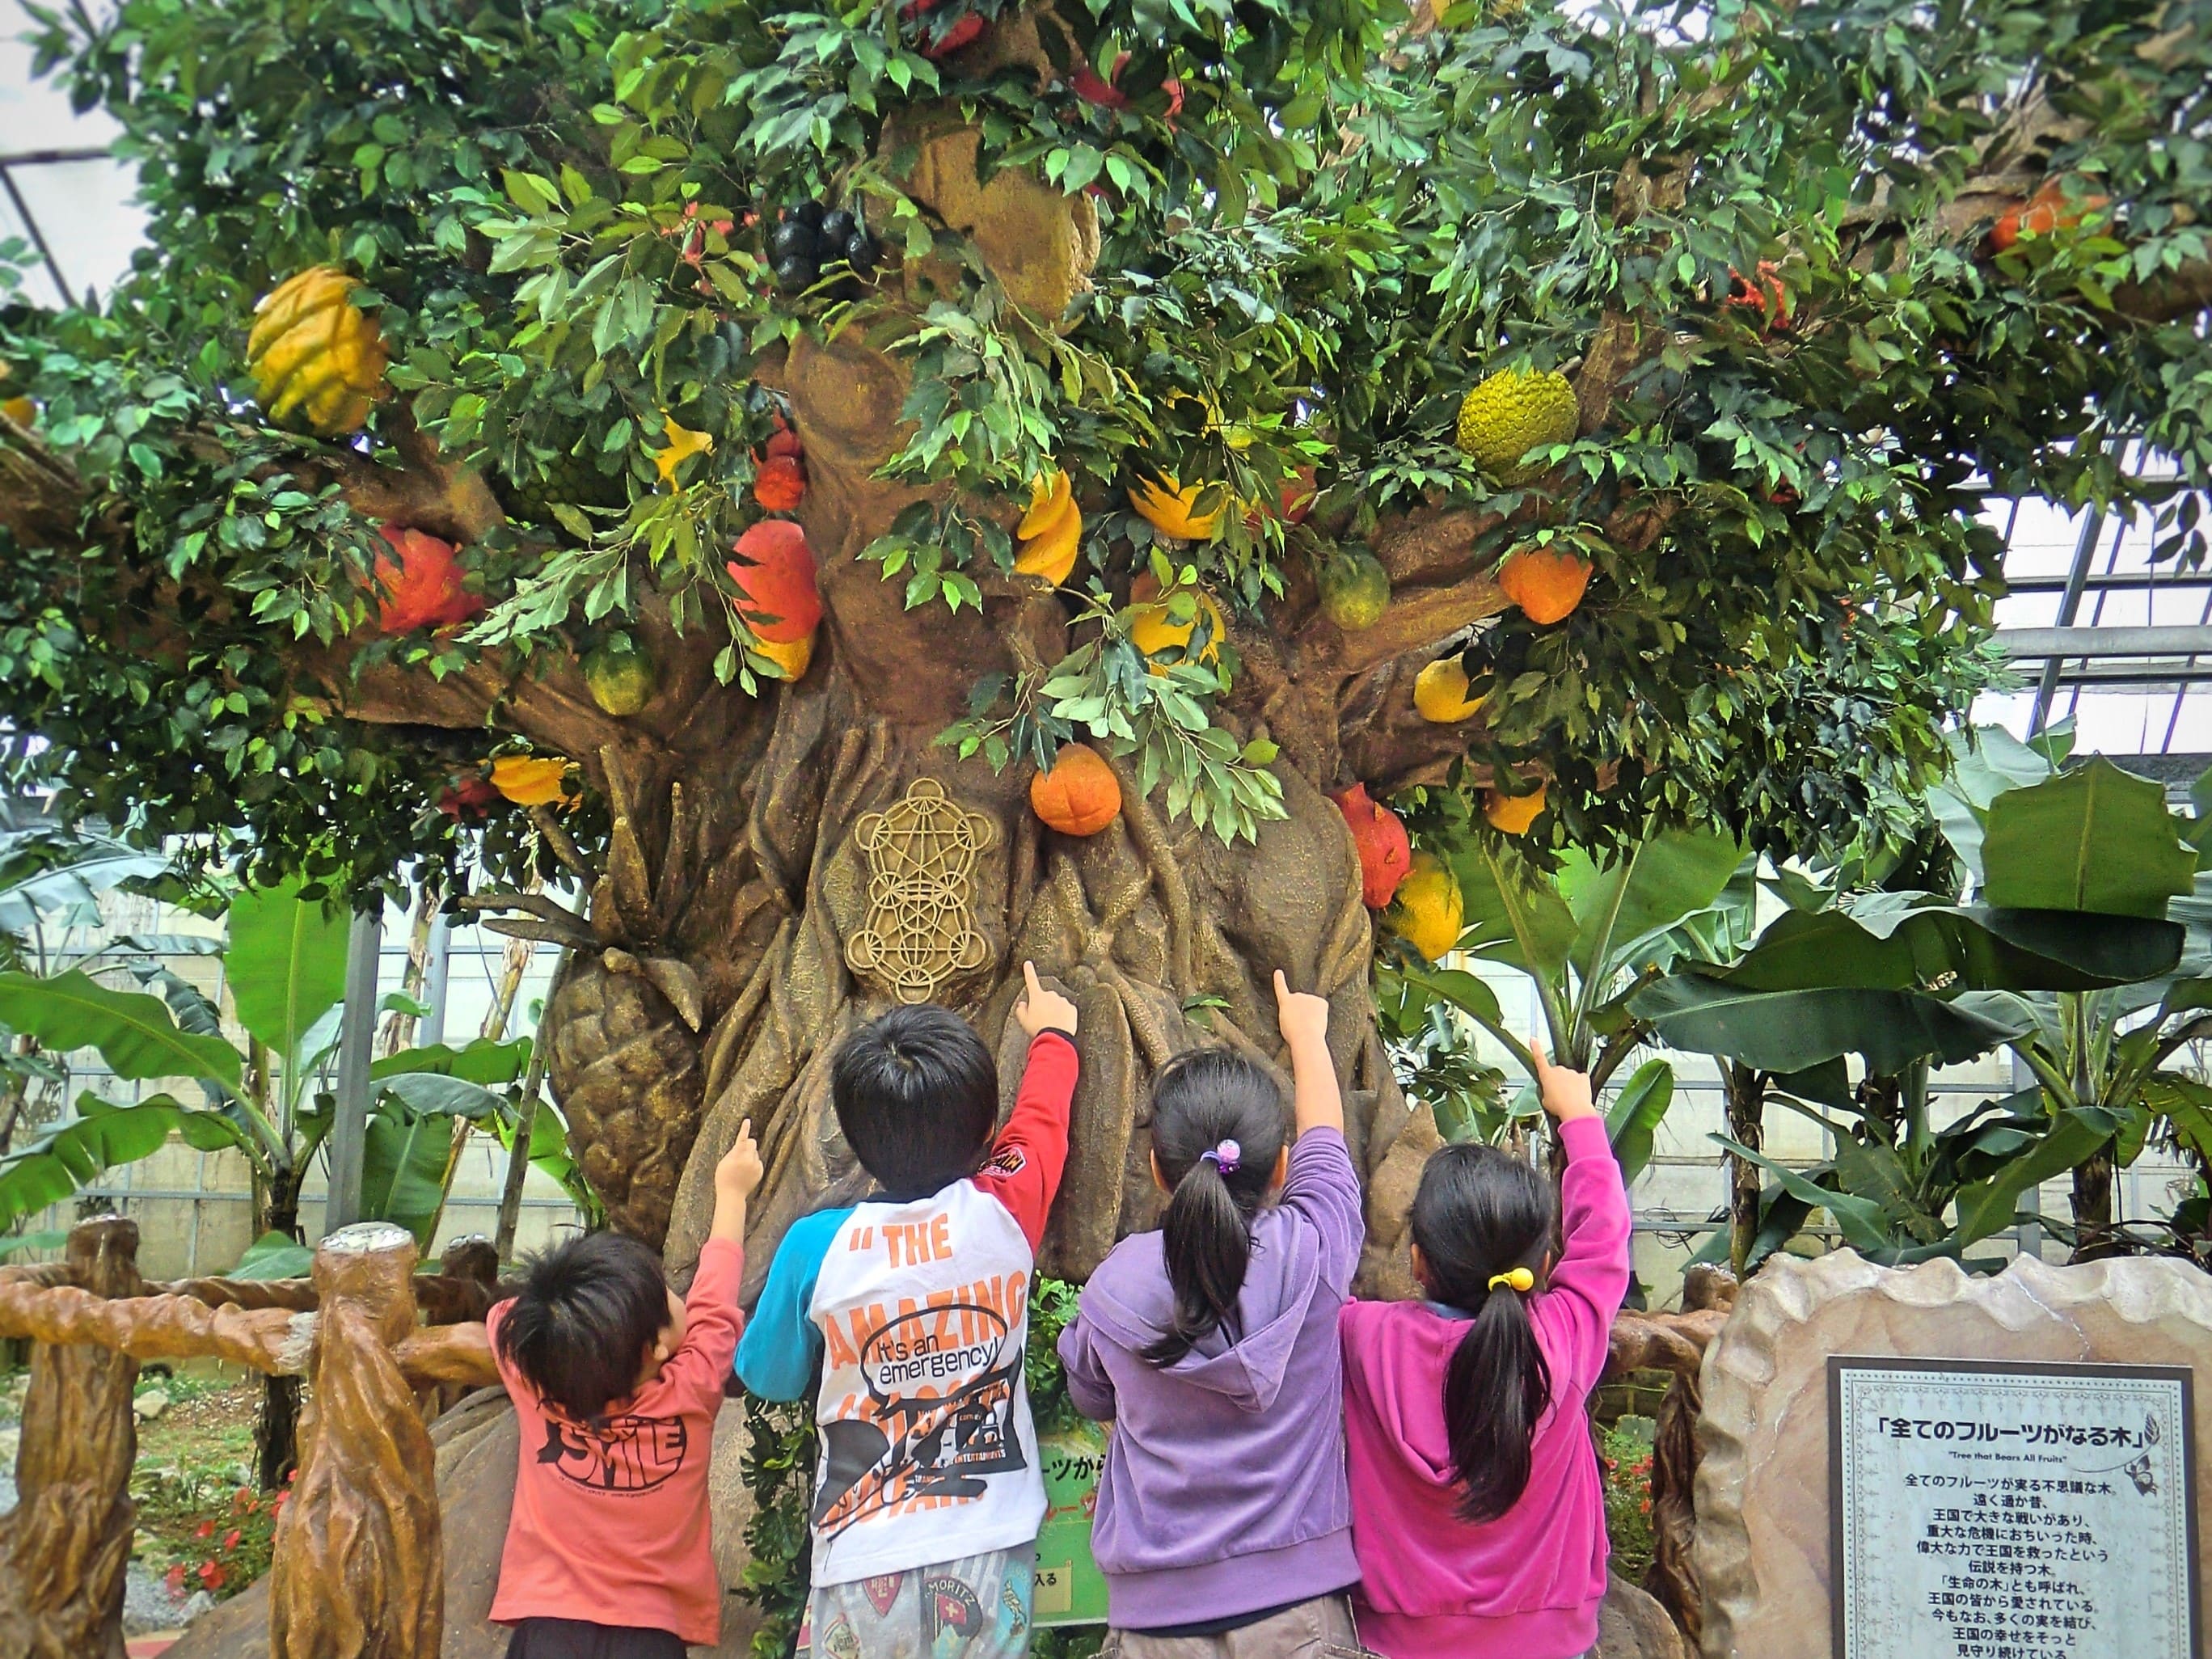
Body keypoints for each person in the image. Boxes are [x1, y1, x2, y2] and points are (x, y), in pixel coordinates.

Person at [736, 962, 1080, 1659]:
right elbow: (1040, 1122)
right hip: (989, 1546)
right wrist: (1054, 1037)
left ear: (857, 1139)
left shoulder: (813, 1248)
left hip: (860, 1555)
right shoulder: (1003, 1212)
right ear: (985, 1126)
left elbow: (767, 1377)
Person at [1057, 970, 1366, 1656]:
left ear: (1158, 1170)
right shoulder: (1316, 1253)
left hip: (1156, 1624)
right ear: (1282, 1165)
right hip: (1300, 1615)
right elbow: (1328, 1143)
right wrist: (1307, 1037)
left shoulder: (1115, 1288)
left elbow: (1088, 1390)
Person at [1338, 1042, 1632, 1659]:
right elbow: (1604, 1235)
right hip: (1551, 1637)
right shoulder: (1565, 1338)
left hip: (1399, 1639)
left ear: (1417, 1261)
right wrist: (1578, 1116)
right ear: (1545, 1265)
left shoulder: (1361, 1340)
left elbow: (1309, 1257)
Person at [483, 1118, 764, 1659]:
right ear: (657, 1349)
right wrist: (731, 1192)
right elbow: (716, 1298)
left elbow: (508, 1314)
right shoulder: (695, 1383)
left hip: (546, 1633)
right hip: (650, 1639)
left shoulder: (530, 1369)